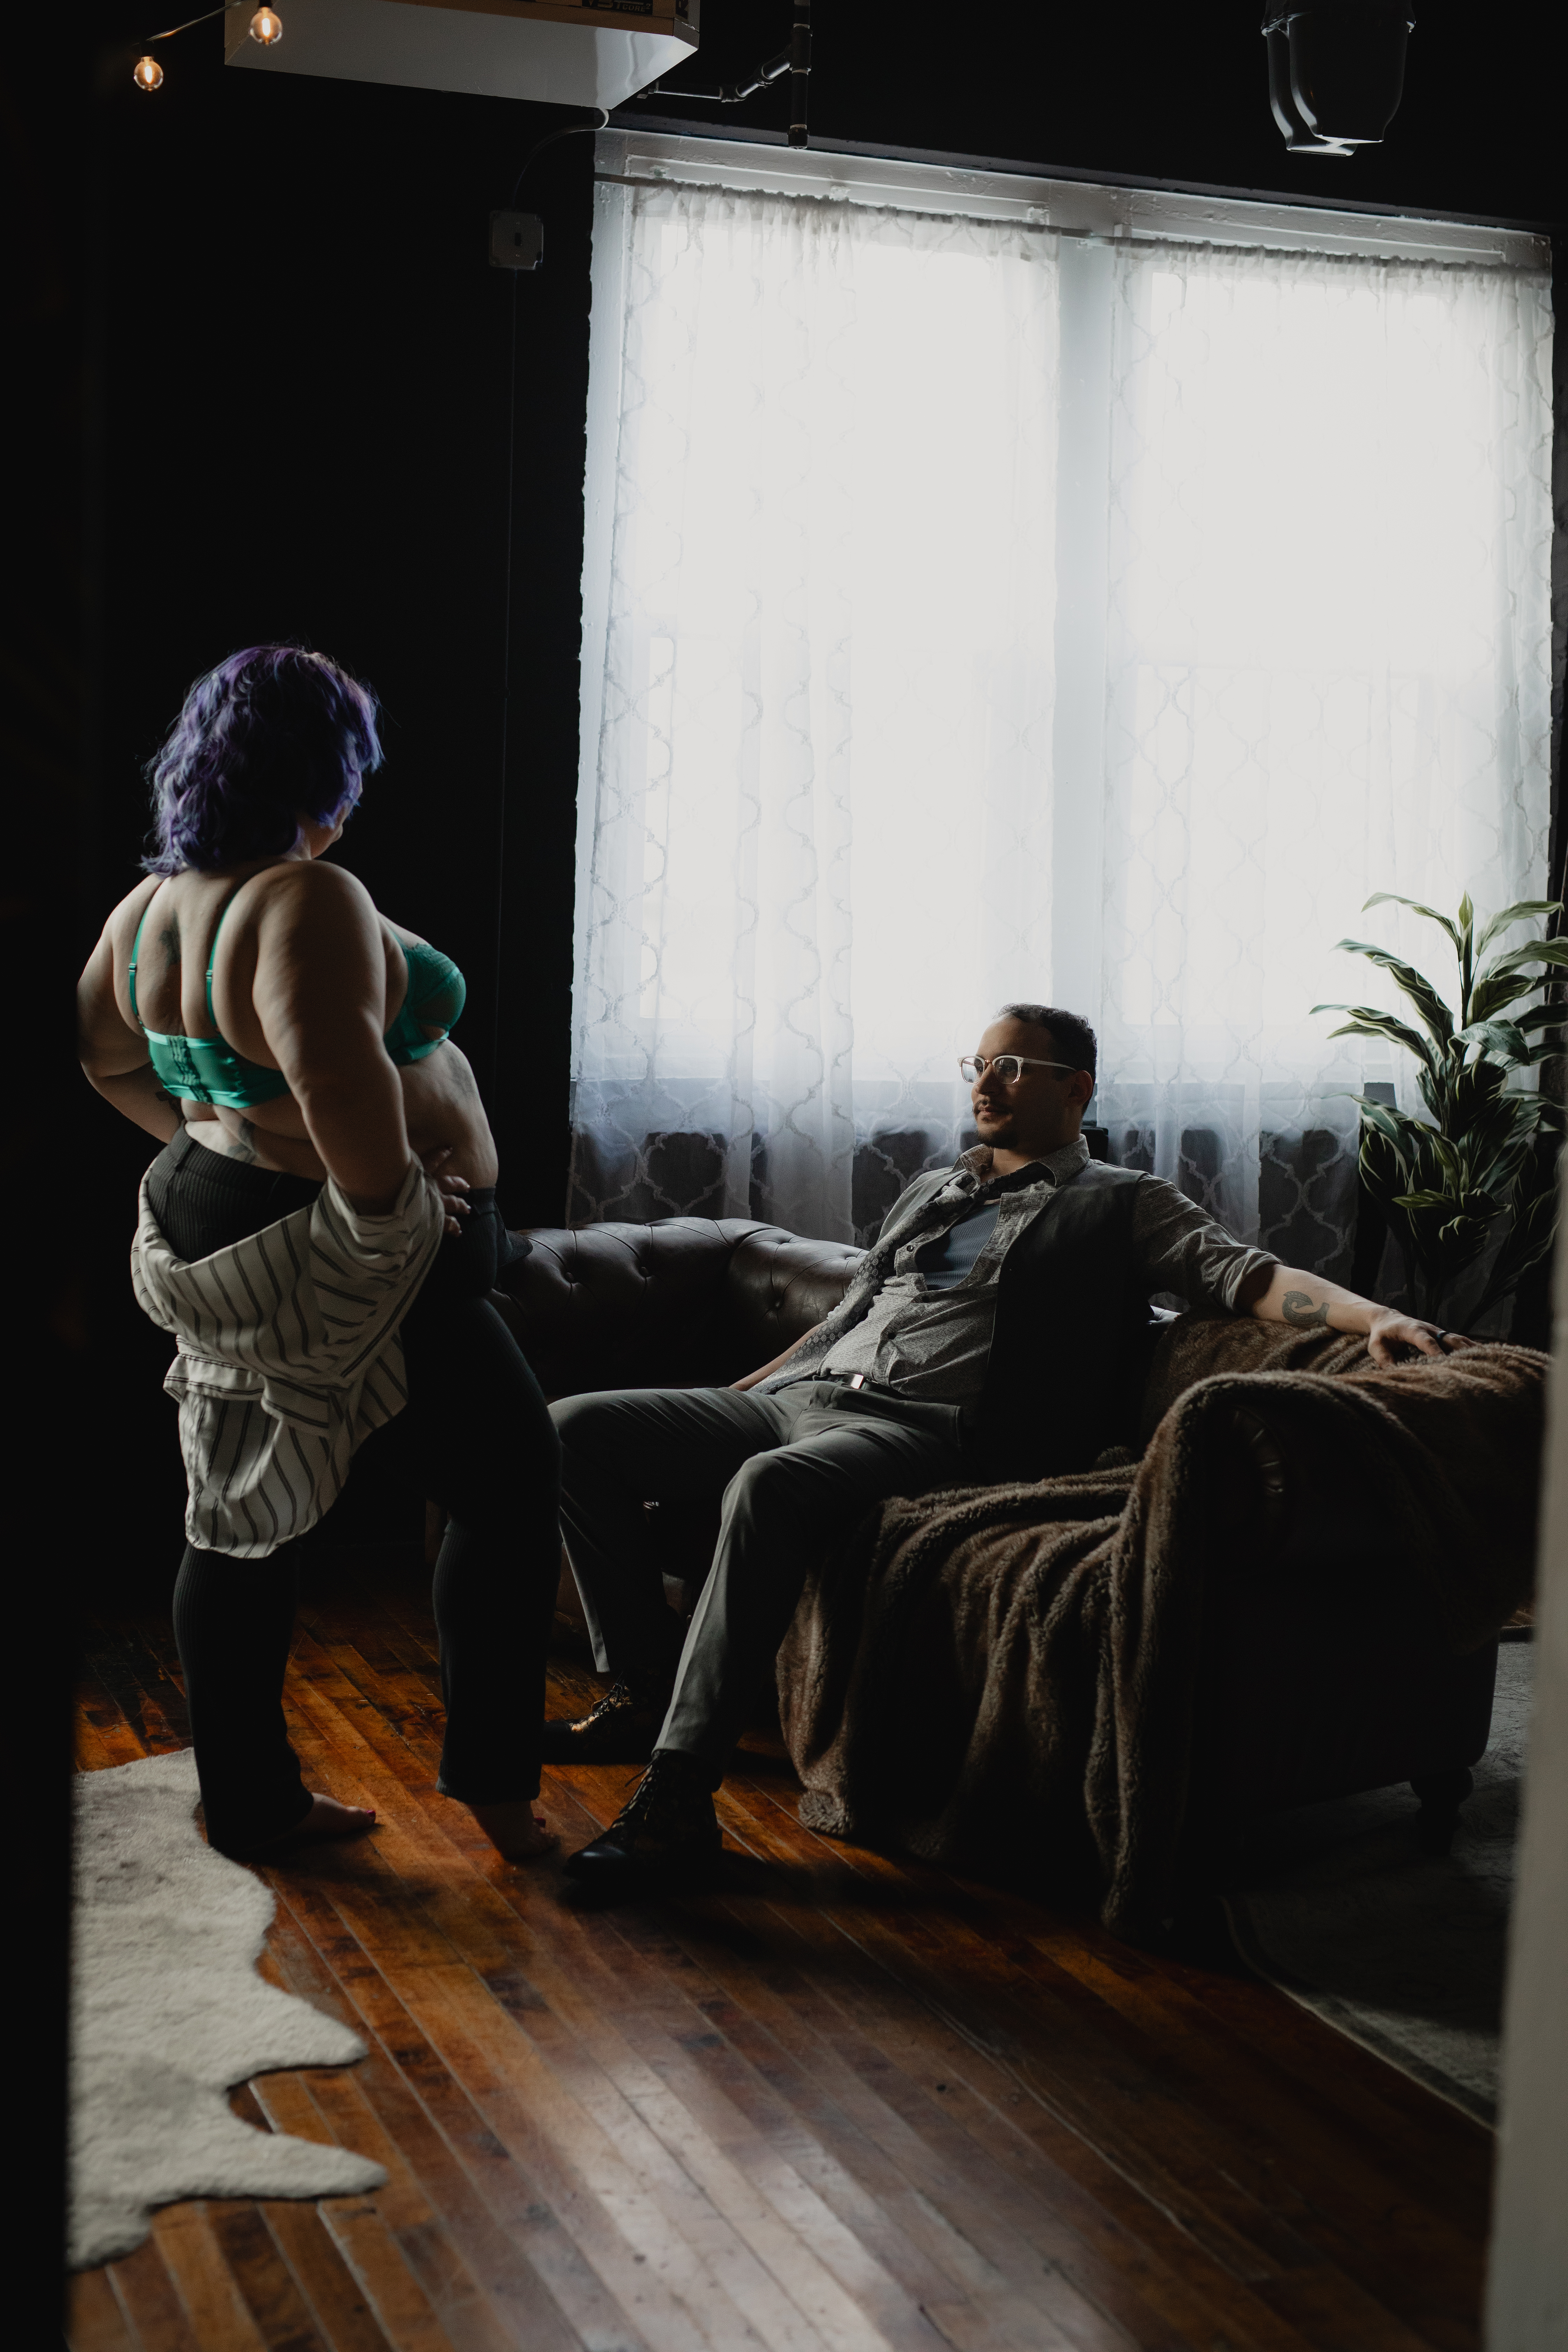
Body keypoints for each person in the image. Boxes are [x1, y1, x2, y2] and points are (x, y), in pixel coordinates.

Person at [548, 1001, 1471, 1889]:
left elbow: (1250, 1276)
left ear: (1075, 1090)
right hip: (804, 1399)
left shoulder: (1122, 1202)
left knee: (766, 1489)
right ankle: (640, 1685)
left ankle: (678, 1798)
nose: (986, 1081)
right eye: (979, 1064)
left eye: (1012, 1065)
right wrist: (731, 1395)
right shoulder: (935, 1188)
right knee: (575, 1430)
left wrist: (1374, 1313)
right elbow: (854, 1312)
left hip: (923, 1428)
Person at [77, 645, 560, 1862]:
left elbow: (103, 1057)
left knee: (239, 1510)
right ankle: (500, 1789)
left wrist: (214, 1138)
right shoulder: (306, 899)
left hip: (229, 1209)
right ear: (326, 769)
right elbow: (341, 1086)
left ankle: (251, 1802)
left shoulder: (149, 907)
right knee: (510, 1485)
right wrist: (390, 1213)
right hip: (347, 1231)